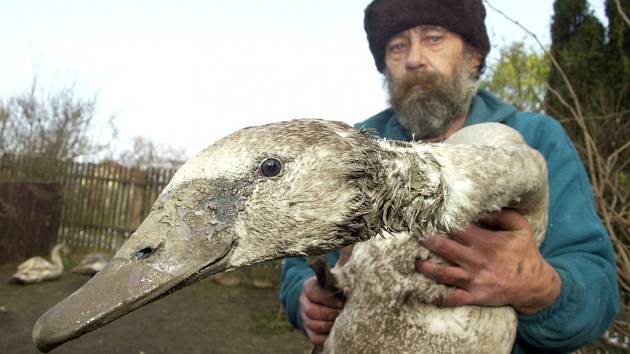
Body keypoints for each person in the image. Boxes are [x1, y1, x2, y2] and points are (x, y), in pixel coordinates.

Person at [280, 0, 620, 353]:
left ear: (473, 56)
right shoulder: (353, 149)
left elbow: (597, 292)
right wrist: (304, 298)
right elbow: (299, 262)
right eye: (398, 46)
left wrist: (537, 286)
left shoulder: (535, 140)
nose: (414, 59)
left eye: (434, 39)